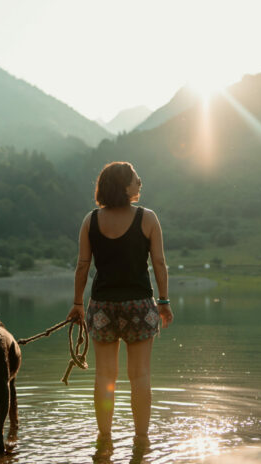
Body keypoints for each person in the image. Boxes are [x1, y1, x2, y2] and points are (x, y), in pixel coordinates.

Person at [66, 161, 174, 446]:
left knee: (104, 375)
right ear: (124, 186)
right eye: (136, 178)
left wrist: (78, 303)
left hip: (102, 306)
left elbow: (82, 266)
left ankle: (105, 439)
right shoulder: (147, 218)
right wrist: (163, 301)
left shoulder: (90, 220)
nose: (140, 182)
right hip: (139, 305)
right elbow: (160, 263)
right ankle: (141, 439)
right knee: (139, 376)